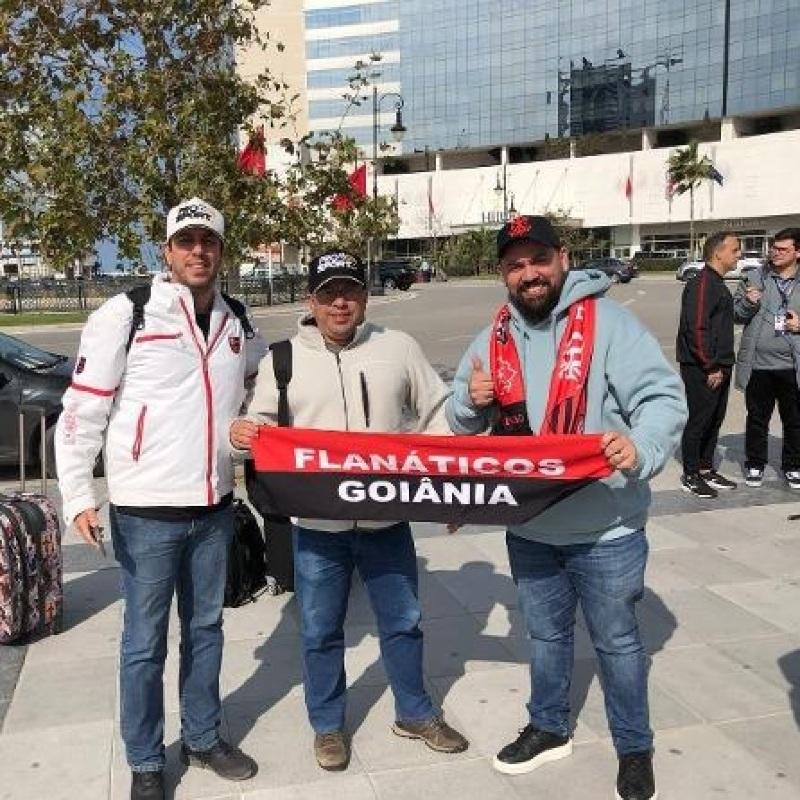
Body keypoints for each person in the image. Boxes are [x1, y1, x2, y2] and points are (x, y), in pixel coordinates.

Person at [446, 215, 686, 800]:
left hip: (607, 528)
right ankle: (550, 726)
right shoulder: (495, 335)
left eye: (538, 259)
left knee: (619, 644)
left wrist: (641, 446)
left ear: (563, 258)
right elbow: (459, 418)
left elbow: (661, 398)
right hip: (530, 525)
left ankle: (635, 747)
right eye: (515, 264)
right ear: (503, 273)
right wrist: (470, 401)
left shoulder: (609, 323)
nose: (528, 273)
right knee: (547, 638)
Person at [56, 198, 266, 800]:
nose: (198, 251)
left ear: (223, 252)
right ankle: (146, 759)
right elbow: (82, 411)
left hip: (214, 509)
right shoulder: (127, 313)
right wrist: (78, 495)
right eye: (186, 241)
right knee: (144, 644)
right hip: (145, 513)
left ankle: (202, 738)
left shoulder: (237, 320)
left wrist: (245, 425)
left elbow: (259, 384)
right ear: (167, 251)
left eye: (210, 241)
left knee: (206, 630)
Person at [230, 249, 468, 771]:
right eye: (329, 293)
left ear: (364, 296)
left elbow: (436, 413)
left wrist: (449, 482)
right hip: (318, 527)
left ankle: (415, 712)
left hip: (387, 521)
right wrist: (240, 436)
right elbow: (258, 427)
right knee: (319, 630)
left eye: (352, 291)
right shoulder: (282, 359)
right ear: (311, 300)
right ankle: (328, 725)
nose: (341, 302)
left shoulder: (398, 347)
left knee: (404, 622)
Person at [676, 231, 741, 498]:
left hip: (720, 364)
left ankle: (705, 468)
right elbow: (697, 327)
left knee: (714, 419)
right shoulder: (702, 283)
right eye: (735, 250)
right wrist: (710, 365)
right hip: (703, 367)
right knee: (700, 419)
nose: (739, 255)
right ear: (718, 253)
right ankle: (690, 474)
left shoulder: (717, 283)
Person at [734, 228, 800, 489]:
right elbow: (736, 314)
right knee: (757, 418)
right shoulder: (754, 277)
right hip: (758, 364)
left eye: (783, 249)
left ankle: (793, 465)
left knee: (794, 420)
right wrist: (749, 303)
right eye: (774, 248)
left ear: (797, 252)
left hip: (792, 365)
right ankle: (755, 464)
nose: (775, 253)